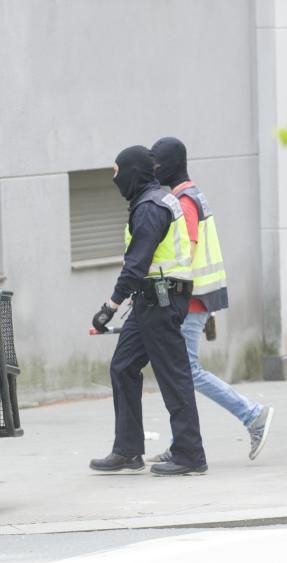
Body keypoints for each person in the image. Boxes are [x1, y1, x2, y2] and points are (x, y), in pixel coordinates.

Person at [148, 136, 274, 462]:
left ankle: (252, 415)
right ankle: (181, 442)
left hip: (190, 300)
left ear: (170, 166)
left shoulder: (184, 202)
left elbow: (184, 253)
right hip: (200, 298)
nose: (153, 172)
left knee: (187, 371)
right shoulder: (195, 195)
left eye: (156, 165)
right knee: (183, 372)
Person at [89, 145, 209, 476]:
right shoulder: (151, 202)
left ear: (132, 173)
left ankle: (190, 454)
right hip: (149, 300)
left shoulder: (150, 208)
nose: (116, 181)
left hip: (161, 301)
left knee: (174, 375)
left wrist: (109, 307)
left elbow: (136, 263)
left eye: (117, 174)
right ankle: (128, 450)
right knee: (123, 366)